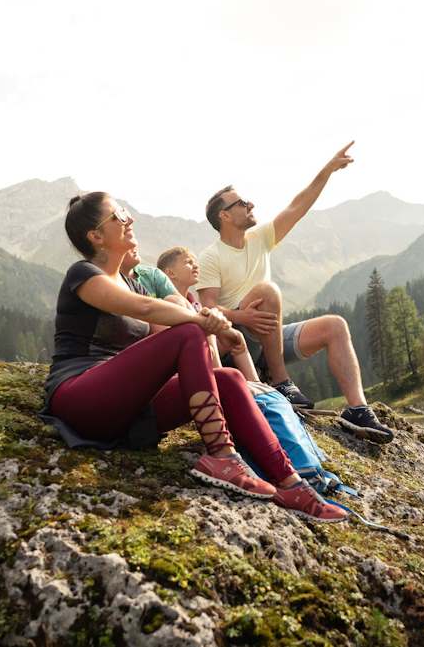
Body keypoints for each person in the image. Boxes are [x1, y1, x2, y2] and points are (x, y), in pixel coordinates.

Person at [42, 191, 347, 522]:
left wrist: (216, 329)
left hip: (128, 411)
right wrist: (201, 321)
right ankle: (222, 455)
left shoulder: (135, 283)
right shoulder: (83, 274)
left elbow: (164, 338)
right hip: (81, 399)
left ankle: (292, 485)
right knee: (189, 333)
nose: (129, 219)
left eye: (126, 211)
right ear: (96, 236)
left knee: (230, 380)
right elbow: (144, 310)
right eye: (119, 215)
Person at [197, 142, 395, 444]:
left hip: (268, 336)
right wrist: (241, 315)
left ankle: (358, 409)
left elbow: (298, 206)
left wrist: (328, 170)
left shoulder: (260, 238)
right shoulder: (212, 256)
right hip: (238, 343)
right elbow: (207, 309)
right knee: (268, 290)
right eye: (242, 203)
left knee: (335, 326)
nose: (251, 205)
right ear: (224, 216)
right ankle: (280, 381)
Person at [158, 245, 259, 381]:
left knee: (235, 337)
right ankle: (218, 376)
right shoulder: (166, 303)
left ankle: (257, 385)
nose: (195, 266)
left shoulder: (196, 306)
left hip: (205, 352)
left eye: (195, 262)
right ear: (170, 273)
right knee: (208, 325)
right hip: (182, 364)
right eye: (188, 262)